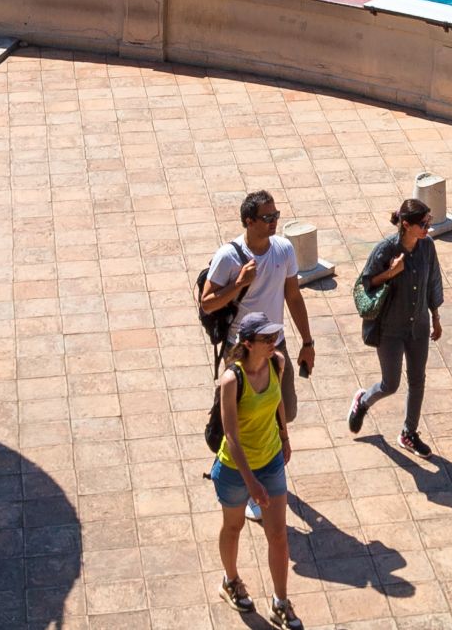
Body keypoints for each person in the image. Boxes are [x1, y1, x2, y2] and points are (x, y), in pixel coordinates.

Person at [209, 312, 302, 628]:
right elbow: (231, 436)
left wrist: (284, 436)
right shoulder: (231, 380)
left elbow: (277, 403)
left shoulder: (277, 362)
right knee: (233, 527)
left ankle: (280, 603)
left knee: (278, 535)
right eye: (266, 338)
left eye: (274, 335)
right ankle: (230, 581)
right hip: (236, 469)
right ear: (248, 343)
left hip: (272, 460)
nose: (273, 341)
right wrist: (252, 484)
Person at [349, 198, 445, 454]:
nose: (427, 228)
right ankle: (363, 401)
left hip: (419, 327)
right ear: (406, 224)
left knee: (418, 380)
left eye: (429, 222)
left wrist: (435, 316)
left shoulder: (428, 247)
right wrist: (391, 272)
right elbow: (364, 284)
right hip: (390, 330)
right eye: (423, 224)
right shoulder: (386, 250)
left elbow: (433, 281)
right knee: (390, 384)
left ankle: (409, 433)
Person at [201, 191, 319, 376]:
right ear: (249, 221)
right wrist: (239, 283)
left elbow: (294, 297)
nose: (273, 221)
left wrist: (307, 343)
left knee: (286, 404)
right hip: (242, 349)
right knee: (241, 403)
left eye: (275, 215)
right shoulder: (227, 257)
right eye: (267, 217)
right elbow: (207, 304)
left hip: (275, 345)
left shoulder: (284, 249)